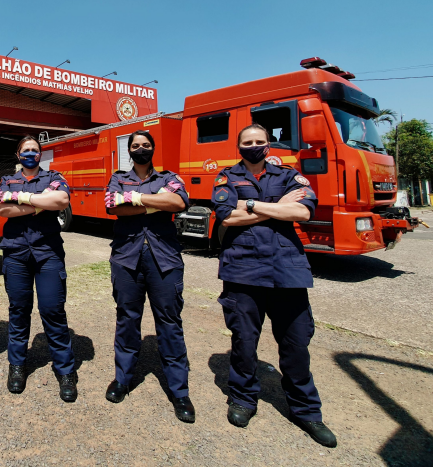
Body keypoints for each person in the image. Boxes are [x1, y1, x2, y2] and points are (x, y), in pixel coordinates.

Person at [212, 123, 337, 447]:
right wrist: (277, 209)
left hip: (287, 273)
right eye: (248, 141)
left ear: (269, 144)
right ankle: (243, 399)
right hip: (243, 273)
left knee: (296, 345)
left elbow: (303, 210)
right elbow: (226, 216)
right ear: (238, 146)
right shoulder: (227, 177)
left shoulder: (288, 175)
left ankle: (306, 411)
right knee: (244, 343)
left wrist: (251, 205)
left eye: (260, 141)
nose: (254, 145)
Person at [104, 130, 196, 423]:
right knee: (127, 319)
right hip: (126, 258)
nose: (140, 148)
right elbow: (113, 206)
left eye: (145, 145)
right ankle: (123, 379)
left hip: (164, 259)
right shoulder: (118, 177)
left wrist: (135, 198)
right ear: (128, 151)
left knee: (169, 323)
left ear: (153, 148)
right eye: (135, 145)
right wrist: (157, 201)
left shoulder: (169, 177)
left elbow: (179, 202)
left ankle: (179, 391)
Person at [0, 135, 78, 402]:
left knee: (53, 310)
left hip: (48, 253)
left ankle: (65, 371)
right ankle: (17, 366)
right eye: (26, 150)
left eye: (35, 150)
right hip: (16, 254)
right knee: (18, 310)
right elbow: (2, 209)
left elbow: (61, 201)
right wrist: (39, 203)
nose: (31, 153)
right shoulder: (7, 180)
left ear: (41, 154)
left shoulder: (54, 176)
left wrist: (23, 199)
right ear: (18, 154)